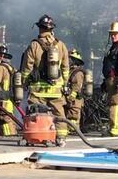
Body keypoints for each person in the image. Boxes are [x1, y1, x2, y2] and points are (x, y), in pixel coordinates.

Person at [20, 14, 70, 146]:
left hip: (38, 90)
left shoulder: (34, 46)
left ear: (39, 28)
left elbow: (26, 68)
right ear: (52, 28)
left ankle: (37, 136)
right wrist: (64, 84)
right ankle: (61, 138)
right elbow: (65, 68)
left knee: (36, 112)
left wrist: (24, 82)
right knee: (59, 113)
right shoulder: (61, 45)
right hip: (56, 88)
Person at [0, 45, 17, 136]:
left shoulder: (0, 68)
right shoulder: (10, 67)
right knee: (8, 120)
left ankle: (9, 138)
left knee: (5, 122)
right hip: (8, 101)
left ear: (2, 56)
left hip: (3, 101)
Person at [66, 49, 87, 132]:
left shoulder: (78, 73)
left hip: (75, 99)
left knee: (73, 114)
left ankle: (73, 129)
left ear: (74, 60)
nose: (68, 60)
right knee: (69, 113)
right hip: (71, 98)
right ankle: (71, 128)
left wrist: (71, 97)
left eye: (70, 58)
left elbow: (77, 86)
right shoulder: (71, 71)